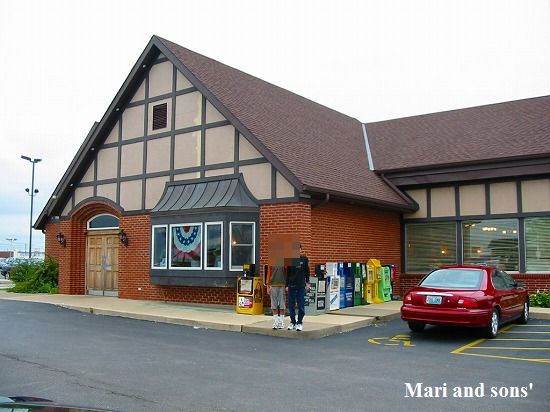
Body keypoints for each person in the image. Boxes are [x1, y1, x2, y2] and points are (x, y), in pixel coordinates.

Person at [286, 244, 310, 331]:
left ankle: (299, 322)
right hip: (291, 285)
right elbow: (288, 274)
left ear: (300, 250)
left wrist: (308, 282)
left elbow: (307, 271)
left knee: (301, 305)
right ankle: (293, 322)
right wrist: (286, 285)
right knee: (291, 305)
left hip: (301, 285)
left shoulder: (304, 259)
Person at [266, 265, 287, 329]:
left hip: (282, 285)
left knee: (282, 304)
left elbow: (287, 273)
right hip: (273, 285)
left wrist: (287, 285)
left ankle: (281, 322)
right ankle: (276, 321)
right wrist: (268, 286)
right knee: (273, 304)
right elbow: (269, 273)